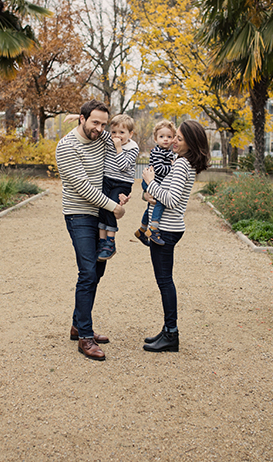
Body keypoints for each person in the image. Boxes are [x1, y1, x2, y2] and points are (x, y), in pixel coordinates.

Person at [55, 100, 127, 361]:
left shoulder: (102, 137)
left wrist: (119, 197)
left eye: (103, 123)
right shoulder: (67, 147)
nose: (100, 128)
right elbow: (83, 187)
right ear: (82, 120)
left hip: (100, 214)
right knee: (87, 271)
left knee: (98, 269)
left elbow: (124, 141)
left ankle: (78, 324)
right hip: (79, 214)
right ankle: (85, 336)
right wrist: (114, 208)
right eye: (94, 122)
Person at [141, 120, 210, 353]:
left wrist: (150, 183)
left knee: (165, 282)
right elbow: (166, 195)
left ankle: (171, 334)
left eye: (179, 138)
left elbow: (170, 200)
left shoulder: (182, 164)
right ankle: (167, 330)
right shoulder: (181, 162)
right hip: (168, 227)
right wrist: (149, 194)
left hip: (166, 229)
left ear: (190, 142)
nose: (173, 141)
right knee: (165, 281)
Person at [97, 114, 139, 261]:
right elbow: (98, 131)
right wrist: (81, 117)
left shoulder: (133, 148)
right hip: (107, 179)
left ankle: (111, 241)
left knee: (111, 206)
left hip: (122, 183)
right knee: (101, 206)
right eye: (114, 132)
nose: (117, 135)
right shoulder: (110, 139)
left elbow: (123, 166)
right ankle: (102, 241)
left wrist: (118, 148)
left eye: (122, 132)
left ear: (130, 134)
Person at [134, 121, 176, 247]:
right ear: (155, 139)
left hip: (155, 183)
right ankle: (153, 228)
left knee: (150, 207)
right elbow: (159, 169)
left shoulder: (169, 152)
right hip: (150, 182)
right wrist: (172, 168)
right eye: (161, 137)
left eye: (169, 137)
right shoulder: (157, 152)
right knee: (160, 201)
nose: (165, 140)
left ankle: (142, 230)